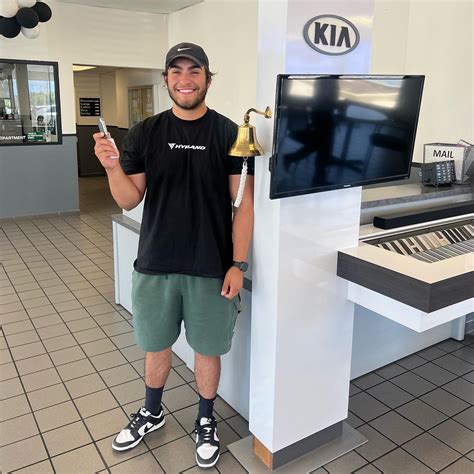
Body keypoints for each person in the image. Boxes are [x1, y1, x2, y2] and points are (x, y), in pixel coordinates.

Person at [93, 42, 254, 469]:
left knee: (207, 349)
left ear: (208, 79)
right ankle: (152, 411)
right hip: (156, 263)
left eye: (194, 71)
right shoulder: (145, 133)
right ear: (166, 80)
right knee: (156, 345)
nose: (185, 80)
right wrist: (111, 167)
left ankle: (206, 420)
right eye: (176, 71)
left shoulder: (229, 134)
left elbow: (243, 204)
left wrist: (238, 264)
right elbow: (129, 199)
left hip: (210, 266)